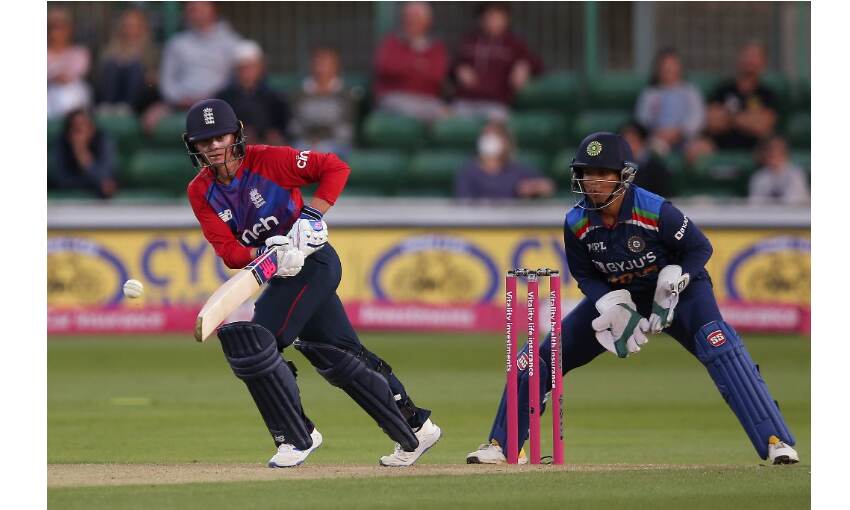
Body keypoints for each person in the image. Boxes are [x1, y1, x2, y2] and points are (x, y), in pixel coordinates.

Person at [466, 132, 799, 466]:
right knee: (541, 357)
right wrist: (608, 303)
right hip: (622, 296)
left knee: (719, 346)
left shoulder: (655, 210)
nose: (592, 182)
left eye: (602, 173)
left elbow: (700, 248)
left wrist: (679, 276)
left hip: (679, 292)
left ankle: (776, 440)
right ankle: (503, 444)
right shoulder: (576, 222)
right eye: (586, 173)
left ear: (623, 176)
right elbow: (585, 275)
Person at [184, 99, 441, 468]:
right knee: (339, 354)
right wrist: (264, 250)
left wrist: (310, 216)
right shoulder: (200, 190)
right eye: (204, 141)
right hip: (281, 271)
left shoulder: (269, 160)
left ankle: (297, 436)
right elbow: (228, 251)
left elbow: (335, 166)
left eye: (219, 137)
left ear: (236, 135)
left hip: (314, 262)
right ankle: (416, 427)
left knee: (256, 344)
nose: (213, 147)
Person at [687, 42, 778, 162]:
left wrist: (728, 117)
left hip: (754, 147)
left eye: (755, 57)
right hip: (718, 144)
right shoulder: (723, 89)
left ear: (763, 64)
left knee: (772, 148)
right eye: (747, 55)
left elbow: (762, 125)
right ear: (739, 59)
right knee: (694, 149)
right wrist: (748, 119)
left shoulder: (767, 93)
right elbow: (712, 121)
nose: (750, 60)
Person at [452, 2, 543, 120]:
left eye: (499, 17)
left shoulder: (514, 44)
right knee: (446, 119)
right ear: (481, 19)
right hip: (464, 102)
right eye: (490, 16)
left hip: (496, 104)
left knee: (496, 126)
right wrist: (458, 69)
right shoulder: (469, 41)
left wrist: (525, 65)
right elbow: (452, 66)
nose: (494, 22)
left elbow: (538, 65)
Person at [373, 1, 450, 123]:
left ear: (427, 21)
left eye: (417, 17)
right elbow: (386, 68)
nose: (412, 21)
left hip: (428, 100)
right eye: (408, 16)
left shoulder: (436, 47)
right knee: (436, 112)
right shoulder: (391, 43)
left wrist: (406, 65)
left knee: (448, 113)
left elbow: (437, 76)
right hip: (394, 98)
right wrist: (417, 64)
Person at [159, 1, 242, 110]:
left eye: (201, 9)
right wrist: (179, 99)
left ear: (213, 10)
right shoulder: (176, 43)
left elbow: (235, 80)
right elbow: (167, 81)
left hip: (219, 105)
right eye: (192, 10)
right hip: (179, 105)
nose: (196, 14)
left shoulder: (232, 42)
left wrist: (211, 97)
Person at [454, 121, 554, 199]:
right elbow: (464, 204)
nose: (491, 140)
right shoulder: (468, 173)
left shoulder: (518, 171)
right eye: (487, 135)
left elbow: (547, 186)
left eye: (496, 135)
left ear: (507, 142)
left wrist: (532, 188)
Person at [218, 40, 291, 146]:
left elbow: (283, 129)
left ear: (260, 67)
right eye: (242, 68)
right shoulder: (224, 98)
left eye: (250, 67)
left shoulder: (275, 98)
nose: (246, 72)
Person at [634, 48, 704, 155]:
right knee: (651, 148)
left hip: (686, 139)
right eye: (664, 65)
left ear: (680, 67)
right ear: (657, 69)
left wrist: (679, 132)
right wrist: (659, 132)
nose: (668, 69)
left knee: (698, 147)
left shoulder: (690, 91)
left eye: (672, 65)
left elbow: (697, 118)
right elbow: (642, 119)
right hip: (658, 138)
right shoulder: (650, 93)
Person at [288, 46, 356, 156]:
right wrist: (311, 140)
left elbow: (346, 129)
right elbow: (295, 126)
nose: (321, 68)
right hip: (305, 142)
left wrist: (320, 141)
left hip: (336, 143)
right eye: (318, 63)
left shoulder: (345, 95)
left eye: (326, 63)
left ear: (336, 66)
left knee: (322, 152)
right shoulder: (300, 94)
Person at [96, 7, 160, 114]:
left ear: (142, 27)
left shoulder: (152, 50)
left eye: (135, 25)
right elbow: (100, 72)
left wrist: (145, 72)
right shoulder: (111, 47)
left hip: (140, 95)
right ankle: (107, 105)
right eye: (127, 25)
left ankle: (127, 107)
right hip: (113, 94)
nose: (131, 29)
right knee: (112, 65)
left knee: (135, 66)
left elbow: (155, 80)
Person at [49, 109, 118, 199]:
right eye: (75, 128)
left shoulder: (103, 141)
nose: (79, 132)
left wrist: (83, 155)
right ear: (68, 132)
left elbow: (105, 176)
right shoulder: (61, 143)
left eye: (82, 126)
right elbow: (60, 178)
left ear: (92, 129)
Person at [47, 7, 92, 119]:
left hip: (74, 91)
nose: (57, 32)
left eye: (62, 27)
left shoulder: (80, 52)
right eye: (54, 27)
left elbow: (77, 72)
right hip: (48, 92)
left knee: (67, 92)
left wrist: (60, 76)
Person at [748, 136, 809, 205]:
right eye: (768, 150)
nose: (772, 153)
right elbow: (755, 204)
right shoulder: (758, 177)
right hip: (768, 211)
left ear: (785, 152)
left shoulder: (796, 174)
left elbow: (792, 202)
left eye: (776, 150)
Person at [619, 121, 674, 197]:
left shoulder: (656, 170)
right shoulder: (615, 169)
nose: (627, 146)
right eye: (624, 142)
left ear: (643, 142)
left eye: (632, 141)